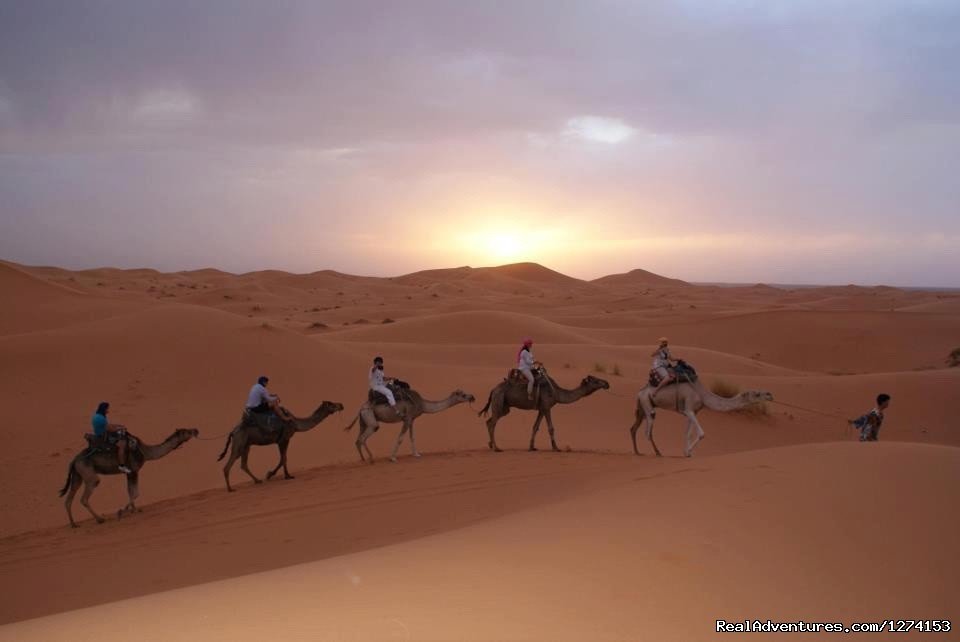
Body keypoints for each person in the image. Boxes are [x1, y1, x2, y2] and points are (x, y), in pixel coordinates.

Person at [92, 402, 132, 474]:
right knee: (122, 445)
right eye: (107, 408)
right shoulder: (101, 418)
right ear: (104, 409)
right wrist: (120, 428)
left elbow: (107, 425)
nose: (108, 410)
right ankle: (122, 466)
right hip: (104, 436)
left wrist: (118, 425)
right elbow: (109, 429)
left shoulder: (97, 416)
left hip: (100, 433)